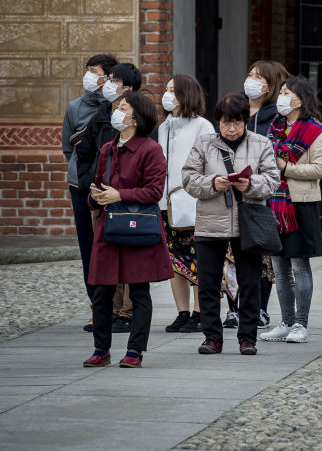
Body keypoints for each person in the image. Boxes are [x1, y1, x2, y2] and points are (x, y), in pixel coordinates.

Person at [182, 94, 280, 356]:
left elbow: (273, 181)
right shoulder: (204, 144)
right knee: (208, 283)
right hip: (210, 222)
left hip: (248, 223)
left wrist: (251, 185)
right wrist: (212, 183)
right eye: (226, 123)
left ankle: (247, 337)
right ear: (218, 122)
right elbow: (189, 179)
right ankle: (212, 337)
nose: (232, 129)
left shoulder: (261, 144)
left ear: (245, 121)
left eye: (237, 123)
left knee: (250, 283)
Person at [83, 91, 172, 368]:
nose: (117, 112)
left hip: (137, 230)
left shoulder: (150, 149)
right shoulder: (108, 149)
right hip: (108, 229)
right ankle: (101, 349)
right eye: (117, 107)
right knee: (101, 291)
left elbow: (155, 192)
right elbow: (97, 182)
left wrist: (120, 195)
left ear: (137, 117)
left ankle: (135, 350)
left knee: (139, 291)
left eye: (123, 107)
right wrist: (95, 196)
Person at [258, 77, 322, 344]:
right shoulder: (275, 127)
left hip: (301, 204)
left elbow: (319, 170)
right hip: (275, 203)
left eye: (287, 93)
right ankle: (286, 321)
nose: (282, 97)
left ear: (300, 99)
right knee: (279, 266)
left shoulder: (315, 130)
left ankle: (301, 323)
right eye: (282, 92)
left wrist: (286, 168)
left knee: (300, 266)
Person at [75, 62, 142, 335]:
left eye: (115, 81)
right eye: (110, 79)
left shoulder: (140, 114)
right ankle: (110, 311)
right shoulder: (102, 114)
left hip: (127, 197)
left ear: (130, 88)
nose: (109, 85)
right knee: (103, 253)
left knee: (128, 254)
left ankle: (128, 311)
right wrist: (87, 184)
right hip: (100, 194)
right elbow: (85, 152)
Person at [62, 53, 118, 331]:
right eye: (87, 70)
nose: (89, 76)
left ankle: (119, 307)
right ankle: (96, 307)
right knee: (88, 247)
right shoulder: (74, 107)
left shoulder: (117, 107)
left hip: (109, 186)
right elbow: (68, 148)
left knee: (111, 244)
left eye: (94, 71)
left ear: (108, 77)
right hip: (80, 186)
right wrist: (82, 175)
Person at [159, 75, 215, 333]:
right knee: (174, 261)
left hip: (194, 202)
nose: (168, 94)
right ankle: (182, 312)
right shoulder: (164, 127)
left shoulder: (202, 126)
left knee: (197, 259)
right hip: (167, 202)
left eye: (173, 90)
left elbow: (209, 163)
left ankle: (200, 311)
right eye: (167, 89)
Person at [240, 60, 289, 329]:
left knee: (261, 252)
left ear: (271, 86)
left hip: (265, 191)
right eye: (250, 75)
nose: (252, 81)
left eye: (259, 77)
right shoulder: (238, 111)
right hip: (236, 191)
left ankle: (260, 307)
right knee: (235, 252)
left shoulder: (275, 118)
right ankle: (237, 307)